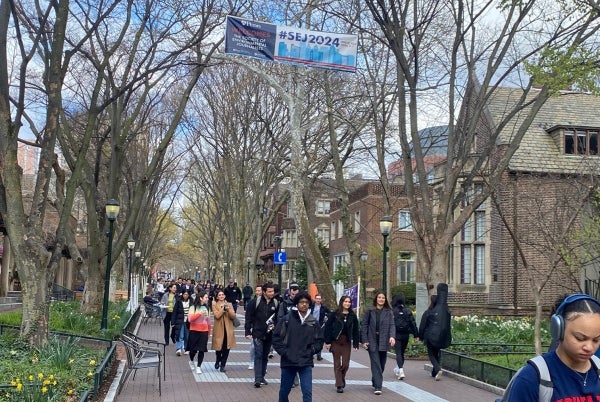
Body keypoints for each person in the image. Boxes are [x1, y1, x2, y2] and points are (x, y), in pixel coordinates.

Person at [501, 293, 600, 401]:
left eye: (596, 340)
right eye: (580, 338)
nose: (589, 347)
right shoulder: (531, 378)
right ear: (558, 330)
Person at [272, 291, 323, 402]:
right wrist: (284, 352)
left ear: (309, 304)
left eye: (306, 302)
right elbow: (276, 338)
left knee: (307, 392)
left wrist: (312, 350)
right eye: (301, 302)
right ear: (296, 304)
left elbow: (319, 340)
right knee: (284, 391)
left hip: (306, 362)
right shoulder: (287, 319)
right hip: (288, 361)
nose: (304, 304)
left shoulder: (313, 322)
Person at [245, 282, 279, 388]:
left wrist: (275, 326)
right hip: (257, 333)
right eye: (269, 291)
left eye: (272, 291)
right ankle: (257, 379)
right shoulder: (255, 302)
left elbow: (278, 318)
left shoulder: (276, 303)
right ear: (264, 292)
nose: (271, 293)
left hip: (269, 334)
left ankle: (262, 376)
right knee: (258, 355)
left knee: (265, 356)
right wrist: (247, 331)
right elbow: (248, 317)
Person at [361, 292, 395, 395]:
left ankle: (375, 379)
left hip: (384, 340)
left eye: (383, 298)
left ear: (385, 300)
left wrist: (392, 336)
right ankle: (378, 386)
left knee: (382, 364)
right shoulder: (369, 311)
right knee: (375, 363)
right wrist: (364, 340)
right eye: (379, 297)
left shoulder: (389, 312)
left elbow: (392, 325)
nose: (381, 299)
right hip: (372, 340)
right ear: (376, 299)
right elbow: (364, 325)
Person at [323, 295, 360, 393]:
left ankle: (341, 379)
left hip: (346, 341)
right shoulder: (335, 313)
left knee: (345, 364)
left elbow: (356, 330)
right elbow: (328, 327)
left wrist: (356, 343)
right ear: (341, 302)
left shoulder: (352, 315)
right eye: (345, 301)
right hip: (336, 341)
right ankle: (339, 385)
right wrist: (327, 342)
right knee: (337, 363)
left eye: (349, 302)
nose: (347, 303)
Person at [419, 283, 452, 381]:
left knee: (431, 354)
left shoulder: (428, 312)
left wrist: (420, 337)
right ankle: (434, 372)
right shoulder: (446, 311)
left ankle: (437, 369)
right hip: (441, 336)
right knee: (437, 353)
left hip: (430, 336)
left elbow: (422, 326)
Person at [391, 293, 419, 380]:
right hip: (405, 334)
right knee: (402, 353)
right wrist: (416, 335)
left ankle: (400, 369)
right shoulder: (407, 311)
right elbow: (413, 323)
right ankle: (399, 368)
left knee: (398, 353)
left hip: (396, 334)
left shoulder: (393, 311)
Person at [211, 289, 237, 372]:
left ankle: (223, 364)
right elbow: (217, 315)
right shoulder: (214, 304)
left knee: (227, 348)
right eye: (219, 295)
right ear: (217, 297)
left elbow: (233, 316)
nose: (221, 296)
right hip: (219, 328)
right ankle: (218, 359)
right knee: (218, 347)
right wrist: (223, 309)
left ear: (225, 296)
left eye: (222, 295)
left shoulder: (229, 304)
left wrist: (228, 309)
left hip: (228, 329)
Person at [187, 290, 210, 374]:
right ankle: (191, 360)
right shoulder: (193, 308)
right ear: (201, 298)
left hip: (204, 331)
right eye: (206, 297)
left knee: (202, 350)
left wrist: (209, 332)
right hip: (194, 331)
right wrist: (199, 313)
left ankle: (199, 366)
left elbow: (208, 321)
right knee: (193, 350)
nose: (207, 299)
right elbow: (190, 319)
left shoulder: (207, 307)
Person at [311, 293, 331, 360]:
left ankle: (319, 355)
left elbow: (330, 313)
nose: (318, 300)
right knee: (311, 339)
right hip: (311, 324)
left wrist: (326, 317)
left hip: (320, 325)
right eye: (317, 299)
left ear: (321, 299)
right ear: (315, 299)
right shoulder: (311, 306)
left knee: (320, 340)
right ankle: (311, 353)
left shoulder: (323, 307)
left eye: (319, 299)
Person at [172, 290, 191, 356]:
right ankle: (178, 349)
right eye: (184, 294)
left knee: (187, 335)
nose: (185, 295)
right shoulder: (178, 301)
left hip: (188, 321)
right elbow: (174, 312)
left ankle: (186, 348)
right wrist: (173, 322)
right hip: (180, 321)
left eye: (187, 294)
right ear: (182, 294)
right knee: (180, 334)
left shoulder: (191, 302)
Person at [248, 285, 263, 370]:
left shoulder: (267, 302)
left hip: (264, 327)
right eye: (256, 291)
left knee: (263, 347)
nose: (258, 292)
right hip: (255, 326)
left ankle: (262, 363)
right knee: (253, 345)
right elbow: (249, 316)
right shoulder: (253, 302)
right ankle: (251, 361)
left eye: (259, 291)